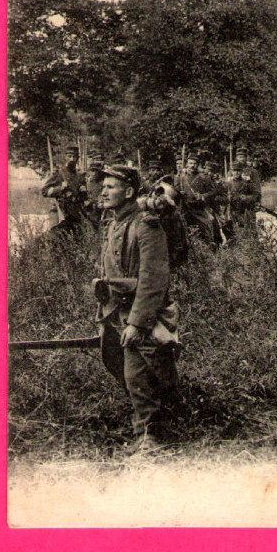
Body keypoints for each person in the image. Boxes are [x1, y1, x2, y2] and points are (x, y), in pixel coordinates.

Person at [96, 165, 181, 454]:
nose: (103, 191)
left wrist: (137, 323)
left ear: (129, 192)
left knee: (139, 373)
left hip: (144, 314)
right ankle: (150, 424)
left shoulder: (146, 224)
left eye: (111, 186)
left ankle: (150, 437)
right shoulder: (115, 222)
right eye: (103, 186)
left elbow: (154, 279)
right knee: (116, 363)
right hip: (115, 311)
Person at [174, 153, 221, 246]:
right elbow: (175, 190)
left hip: (199, 209)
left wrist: (203, 196)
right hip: (185, 208)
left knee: (209, 223)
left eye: (195, 164)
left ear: (198, 165)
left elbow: (213, 191)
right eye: (190, 163)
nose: (192, 166)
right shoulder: (181, 176)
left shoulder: (204, 177)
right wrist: (180, 193)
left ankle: (211, 245)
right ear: (187, 164)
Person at [41, 144, 88, 234]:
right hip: (61, 213)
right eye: (69, 156)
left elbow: (84, 197)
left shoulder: (80, 176)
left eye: (74, 157)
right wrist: (59, 188)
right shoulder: (59, 174)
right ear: (65, 157)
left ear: (78, 158)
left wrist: (83, 191)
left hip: (76, 215)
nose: (72, 159)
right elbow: (44, 191)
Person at [222, 160, 262, 242]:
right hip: (230, 212)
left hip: (244, 212)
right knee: (228, 231)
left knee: (245, 232)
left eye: (238, 171)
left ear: (241, 171)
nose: (236, 173)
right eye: (234, 171)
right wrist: (226, 199)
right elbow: (219, 197)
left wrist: (246, 198)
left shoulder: (247, 183)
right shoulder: (227, 184)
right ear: (232, 172)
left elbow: (257, 195)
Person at [83, 151, 107, 228]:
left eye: (96, 170)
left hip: (102, 209)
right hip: (90, 211)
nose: (94, 173)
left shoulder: (105, 180)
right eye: (93, 171)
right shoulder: (86, 181)